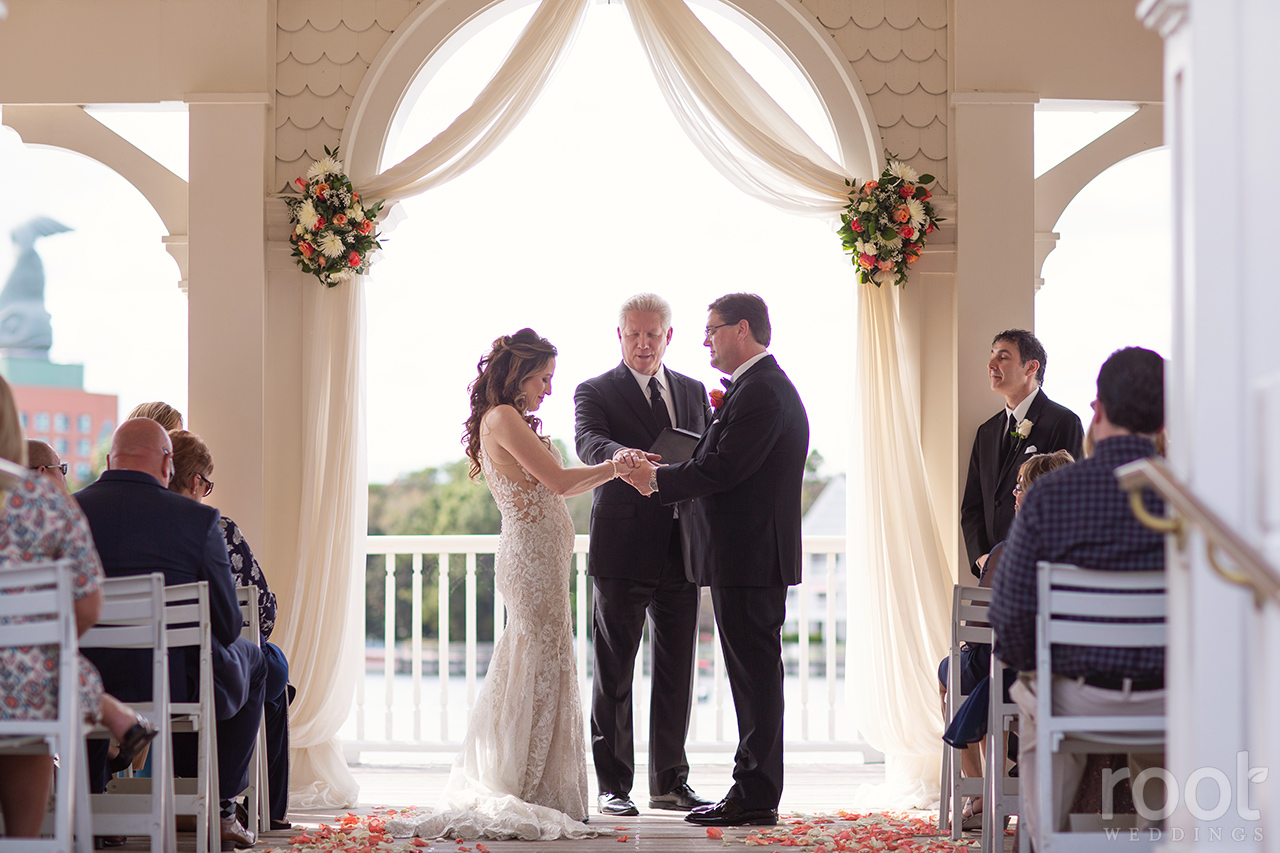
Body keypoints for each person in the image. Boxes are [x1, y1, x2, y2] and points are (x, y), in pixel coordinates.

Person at [390, 328, 637, 841]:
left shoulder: (508, 419)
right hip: (530, 559)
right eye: (544, 378)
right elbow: (562, 482)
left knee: (544, 657)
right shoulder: (502, 418)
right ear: (520, 373)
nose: (548, 388)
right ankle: (527, 784)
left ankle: (544, 784)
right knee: (535, 656)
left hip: (542, 557)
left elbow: (560, 485)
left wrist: (616, 470)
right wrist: (618, 467)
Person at [625, 294, 809, 828]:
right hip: (745, 558)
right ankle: (751, 788)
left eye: (712, 331)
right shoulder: (756, 388)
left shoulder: (762, 393)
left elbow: (723, 468)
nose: (704, 341)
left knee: (754, 678)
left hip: (750, 558)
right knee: (752, 677)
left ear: (742, 330)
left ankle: (754, 796)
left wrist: (655, 479)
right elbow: (717, 462)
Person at [989, 347, 1167, 841]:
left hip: (1076, 695)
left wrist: (1042, 674)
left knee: (1033, 695)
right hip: (1171, 696)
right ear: (1165, 419)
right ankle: (1166, 832)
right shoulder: (1189, 499)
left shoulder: (1050, 496)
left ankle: (1046, 835)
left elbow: (1009, 620)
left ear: (1098, 410)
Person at [75, 419, 264, 849]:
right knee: (254, 660)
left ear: (110, 460)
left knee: (96, 661)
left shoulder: (69, 513)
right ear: (167, 463)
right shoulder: (197, 520)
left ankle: (93, 800)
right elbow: (229, 624)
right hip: (175, 684)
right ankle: (222, 809)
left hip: (87, 683)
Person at [573, 293, 712, 817]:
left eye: (652, 334)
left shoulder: (694, 390)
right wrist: (617, 455)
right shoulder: (595, 390)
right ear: (620, 335)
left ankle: (670, 783)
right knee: (614, 673)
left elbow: (705, 455)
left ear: (668, 337)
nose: (642, 343)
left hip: (683, 549)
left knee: (677, 672)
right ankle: (614, 787)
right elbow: (588, 440)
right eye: (633, 334)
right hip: (623, 548)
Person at [0, 380, 157, 839]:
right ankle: (24, 842)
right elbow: (88, 604)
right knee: (36, 683)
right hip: (24, 687)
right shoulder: (45, 503)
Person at [939, 449, 1074, 829]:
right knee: (988, 673)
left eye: (1020, 487)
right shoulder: (1080, 550)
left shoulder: (1010, 553)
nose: (1014, 495)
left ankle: (982, 792)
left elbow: (989, 632)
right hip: (1070, 673)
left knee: (958, 673)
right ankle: (993, 791)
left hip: (1014, 671)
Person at [167, 429, 294, 830]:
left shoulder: (136, 523)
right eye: (207, 483)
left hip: (144, 668)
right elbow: (263, 614)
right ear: (195, 481)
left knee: (271, 674)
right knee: (272, 671)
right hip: (206, 669)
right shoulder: (216, 528)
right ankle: (254, 807)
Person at [960, 330, 1084, 578]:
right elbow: (972, 506)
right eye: (992, 356)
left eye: (1003, 357)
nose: (991, 365)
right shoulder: (986, 431)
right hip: (993, 571)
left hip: (1041, 568)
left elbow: (1069, 500)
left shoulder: (1063, 422)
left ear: (1031, 367)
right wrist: (982, 558)